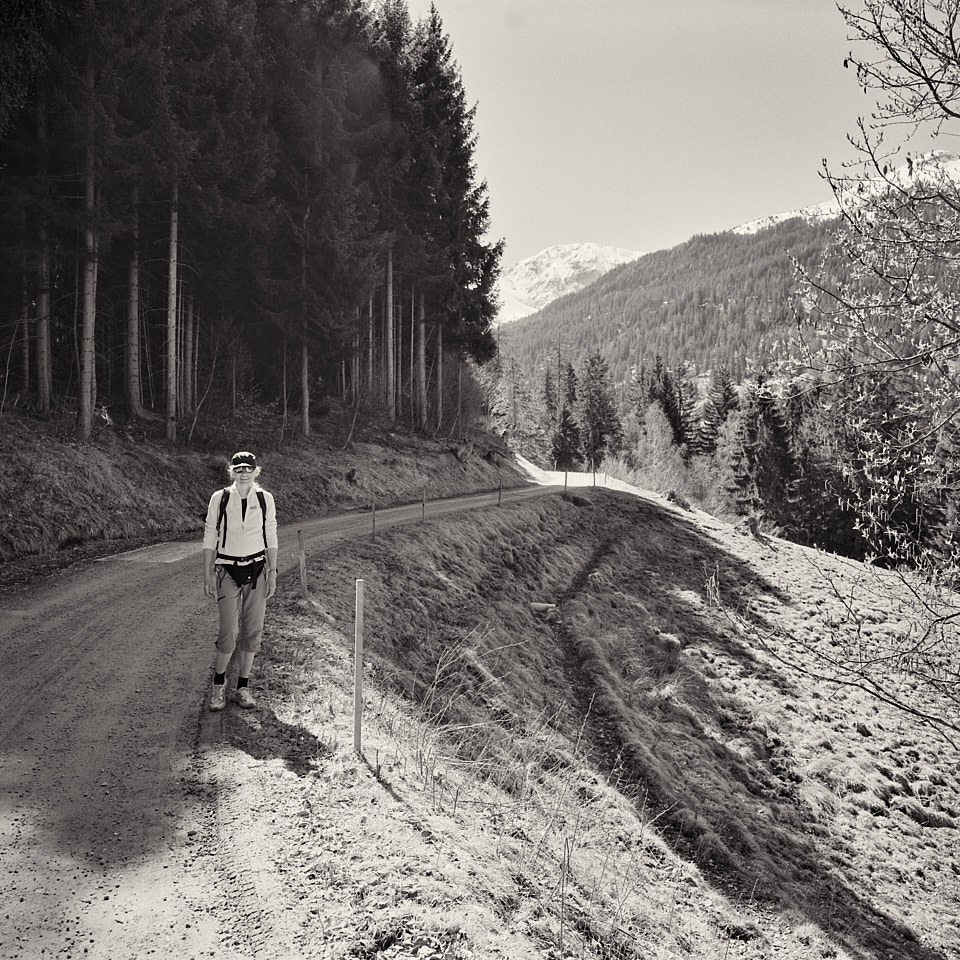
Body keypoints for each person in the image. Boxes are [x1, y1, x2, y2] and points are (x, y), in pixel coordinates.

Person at [202, 451, 278, 711]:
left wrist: (273, 571)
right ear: (231, 471)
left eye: (248, 469)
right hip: (227, 570)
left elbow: (271, 534)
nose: (244, 473)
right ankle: (218, 686)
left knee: (252, 630)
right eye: (239, 468)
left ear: (256, 471)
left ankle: (242, 688)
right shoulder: (220, 498)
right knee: (229, 631)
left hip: (257, 571)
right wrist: (207, 572)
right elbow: (210, 534)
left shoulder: (265, 499)